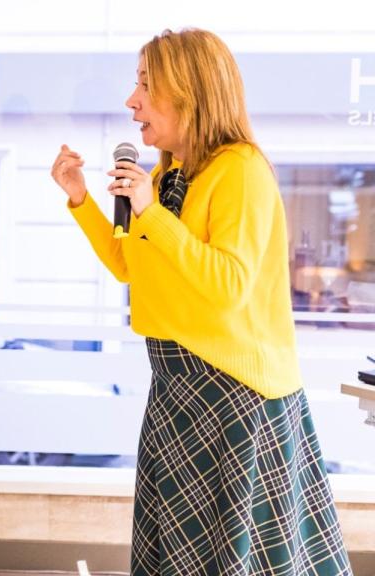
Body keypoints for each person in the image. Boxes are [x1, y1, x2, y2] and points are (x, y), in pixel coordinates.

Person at [51, 29, 351, 575]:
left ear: (189, 92)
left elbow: (229, 285)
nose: (131, 101)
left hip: (235, 395)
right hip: (177, 389)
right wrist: (82, 199)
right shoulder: (169, 175)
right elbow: (130, 264)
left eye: (146, 85)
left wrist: (150, 210)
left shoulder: (240, 170)